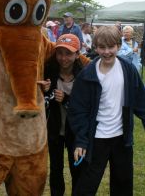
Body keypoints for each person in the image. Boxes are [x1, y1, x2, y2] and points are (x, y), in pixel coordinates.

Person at [68, 26, 145, 196]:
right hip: (96, 139)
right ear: (95, 48)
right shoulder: (87, 75)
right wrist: (81, 140)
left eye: (111, 47)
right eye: (102, 47)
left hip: (122, 138)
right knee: (87, 184)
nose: (106, 52)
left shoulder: (128, 70)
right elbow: (77, 110)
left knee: (123, 184)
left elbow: (141, 101)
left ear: (119, 46)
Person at [38, 34, 86, 196]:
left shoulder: (84, 75)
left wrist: (66, 99)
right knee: (56, 168)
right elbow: (40, 103)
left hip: (76, 132)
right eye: (60, 53)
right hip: (54, 130)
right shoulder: (48, 70)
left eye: (68, 53)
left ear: (77, 54)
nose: (63, 58)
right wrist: (43, 91)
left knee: (77, 168)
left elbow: (87, 106)